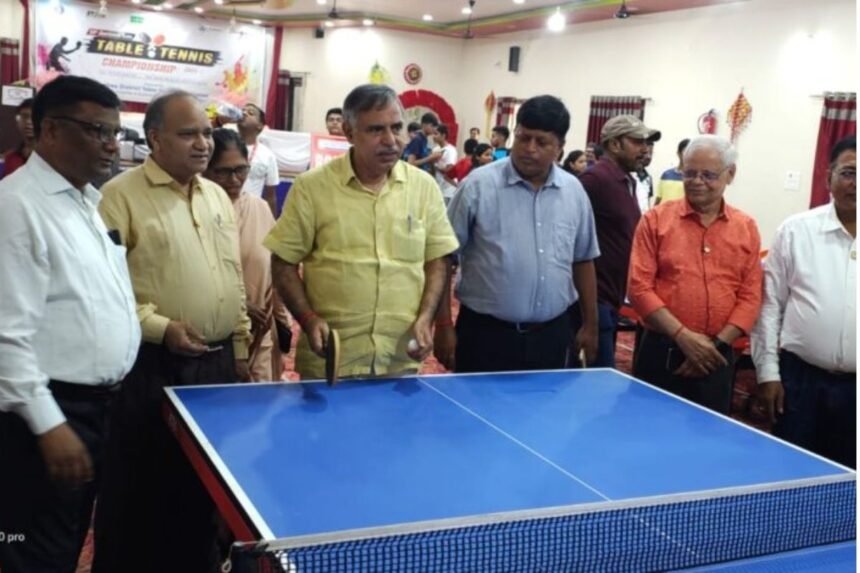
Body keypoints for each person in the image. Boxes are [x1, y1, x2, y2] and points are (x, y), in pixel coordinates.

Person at [92, 91, 252, 573]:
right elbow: (106, 287)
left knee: (206, 490)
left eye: (206, 132)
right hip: (153, 365)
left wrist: (240, 345)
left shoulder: (215, 196)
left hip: (218, 364)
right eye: (188, 134)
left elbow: (233, 276)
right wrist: (161, 329)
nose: (203, 144)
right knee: (140, 490)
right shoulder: (119, 197)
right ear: (154, 138)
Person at [0, 76, 140, 573]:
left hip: (98, 408)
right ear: (51, 132)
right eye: (96, 130)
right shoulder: (17, 206)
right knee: (31, 548)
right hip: (43, 416)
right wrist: (49, 423)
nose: (110, 144)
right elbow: (5, 335)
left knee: (66, 539)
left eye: (115, 132)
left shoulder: (86, 201)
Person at [264, 84, 459, 379]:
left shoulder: (424, 188)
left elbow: (437, 260)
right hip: (332, 359)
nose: (391, 140)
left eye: (397, 128)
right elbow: (283, 262)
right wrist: (307, 318)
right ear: (348, 131)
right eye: (376, 130)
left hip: (400, 358)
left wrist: (426, 318)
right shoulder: (311, 188)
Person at [435, 95, 600, 373]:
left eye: (542, 142)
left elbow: (583, 260)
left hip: (553, 334)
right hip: (485, 334)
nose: (529, 149)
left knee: (546, 414)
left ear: (560, 147)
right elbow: (442, 258)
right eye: (523, 138)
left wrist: (591, 324)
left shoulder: (574, 192)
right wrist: (442, 325)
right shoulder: (478, 186)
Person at [628, 135, 763, 415]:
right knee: (646, 436)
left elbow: (751, 295)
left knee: (708, 444)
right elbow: (639, 288)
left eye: (708, 175)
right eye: (689, 173)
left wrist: (716, 345)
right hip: (661, 350)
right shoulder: (655, 220)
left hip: (717, 356)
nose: (697, 181)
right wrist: (684, 337)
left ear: (730, 174)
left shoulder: (746, 227)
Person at [751, 135, 856, 468]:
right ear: (829, 178)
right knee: (791, 471)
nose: (856, 183)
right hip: (800, 381)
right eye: (849, 172)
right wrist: (768, 373)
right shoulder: (795, 231)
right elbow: (769, 307)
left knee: (849, 480)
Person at [205, 128, 293, 381]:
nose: (235, 179)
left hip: (263, 332)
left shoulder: (259, 208)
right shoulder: (197, 211)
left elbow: (274, 268)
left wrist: (281, 321)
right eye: (223, 171)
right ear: (205, 170)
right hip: (216, 334)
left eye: (242, 170)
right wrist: (238, 307)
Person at [578, 115, 660, 367]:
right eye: (637, 142)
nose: (645, 149)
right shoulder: (595, 181)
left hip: (612, 297)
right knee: (594, 384)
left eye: (647, 143)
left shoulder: (627, 181)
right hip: (594, 300)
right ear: (614, 145)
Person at [237, 103, 280, 215]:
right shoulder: (226, 146)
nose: (244, 113)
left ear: (260, 126)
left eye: (251, 113)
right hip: (225, 208)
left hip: (251, 213)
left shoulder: (267, 155)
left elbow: (271, 196)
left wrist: (271, 225)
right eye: (243, 111)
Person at [1, 98, 35, 179]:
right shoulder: (10, 158)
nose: (29, 121)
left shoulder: (54, 158)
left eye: (34, 117)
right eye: (24, 116)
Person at [655, 138, 690, 205]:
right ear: (678, 153)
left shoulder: (693, 178)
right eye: (685, 151)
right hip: (663, 213)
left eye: (690, 152)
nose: (688, 155)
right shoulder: (666, 175)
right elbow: (658, 199)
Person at [433, 123, 458, 203]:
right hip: (438, 188)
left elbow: (449, 169)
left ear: (443, 135)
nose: (434, 136)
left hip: (448, 190)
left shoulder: (450, 150)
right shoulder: (435, 149)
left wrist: (435, 165)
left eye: (436, 134)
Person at [633, 141, 655, 212]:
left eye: (651, 154)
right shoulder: (629, 176)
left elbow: (647, 202)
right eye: (646, 153)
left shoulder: (648, 178)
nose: (649, 157)